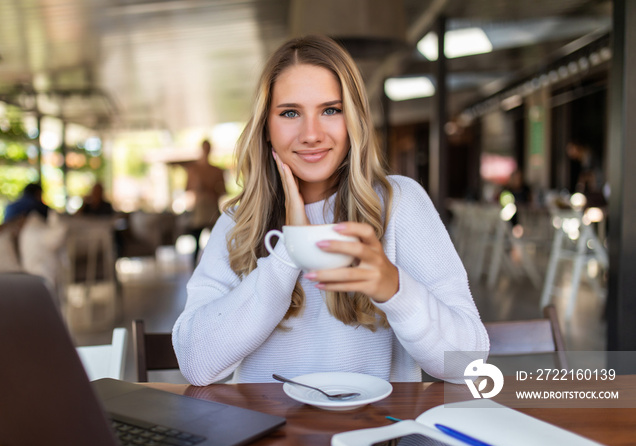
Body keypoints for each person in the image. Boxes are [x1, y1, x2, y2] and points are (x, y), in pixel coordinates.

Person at [172, 35, 488, 386]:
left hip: (377, 435)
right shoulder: (238, 221)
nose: (311, 134)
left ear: (353, 120)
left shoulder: (401, 202)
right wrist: (288, 252)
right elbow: (194, 363)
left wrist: (395, 289)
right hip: (269, 436)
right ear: (266, 128)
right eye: (290, 112)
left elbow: (469, 364)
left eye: (330, 110)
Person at [184, 139, 226, 266]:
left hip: (212, 210)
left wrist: (211, 190)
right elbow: (187, 188)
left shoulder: (217, 170)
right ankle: (194, 268)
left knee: (218, 241)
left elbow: (223, 190)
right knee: (196, 243)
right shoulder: (194, 170)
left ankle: (218, 266)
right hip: (199, 211)